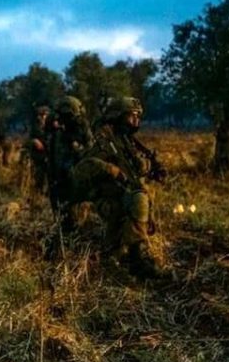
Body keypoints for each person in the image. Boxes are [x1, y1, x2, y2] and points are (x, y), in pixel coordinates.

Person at [71, 96, 167, 278]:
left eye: (138, 116)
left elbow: (136, 169)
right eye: (132, 116)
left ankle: (122, 253)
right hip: (106, 200)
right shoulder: (103, 140)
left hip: (122, 195)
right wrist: (110, 170)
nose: (136, 121)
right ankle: (136, 260)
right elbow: (81, 168)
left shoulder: (126, 140)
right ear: (118, 116)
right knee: (139, 199)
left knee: (141, 198)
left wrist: (152, 168)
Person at [46, 96, 93, 224]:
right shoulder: (58, 131)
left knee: (74, 214)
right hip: (59, 175)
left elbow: (89, 150)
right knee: (60, 210)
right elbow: (53, 154)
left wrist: (77, 148)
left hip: (74, 176)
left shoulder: (81, 127)